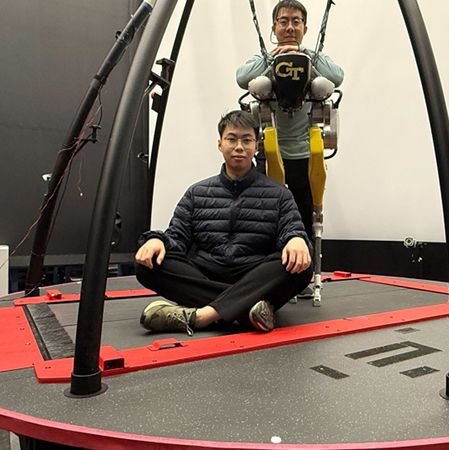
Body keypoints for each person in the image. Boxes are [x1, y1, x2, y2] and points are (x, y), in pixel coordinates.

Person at [134, 110, 313, 335]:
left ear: (256, 146)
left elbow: (292, 229)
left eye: (246, 140)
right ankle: (248, 310)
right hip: (206, 274)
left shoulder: (280, 195)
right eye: (232, 139)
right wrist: (157, 240)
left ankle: (200, 316)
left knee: (301, 266)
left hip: (254, 274)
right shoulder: (196, 193)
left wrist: (296, 238)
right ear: (220, 144)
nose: (239, 146)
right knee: (146, 263)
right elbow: (177, 237)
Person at [236, 0, 343, 297]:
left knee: (307, 213)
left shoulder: (312, 59)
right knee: (267, 215)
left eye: (296, 21)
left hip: (306, 154)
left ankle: (304, 278)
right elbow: (242, 77)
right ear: (273, 27)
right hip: (270, 152)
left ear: (305, 28)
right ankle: (271, 273)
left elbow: (337, 76)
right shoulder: (265, 59)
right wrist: (272, 59)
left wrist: (305, 55)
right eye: (283, 21)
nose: (289, 27)